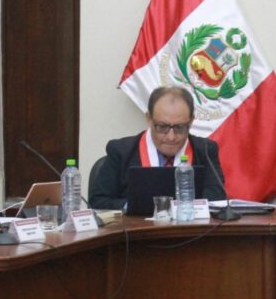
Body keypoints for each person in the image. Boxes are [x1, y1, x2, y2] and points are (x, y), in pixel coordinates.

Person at [88, 86, 225, 211]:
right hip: (136, 229)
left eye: (180, 127)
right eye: (162, 127)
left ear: (191, 121)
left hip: (189, 226)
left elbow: (217, 198)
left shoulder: (205, 150)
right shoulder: (121, 151)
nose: (171, 137)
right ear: (149, 118)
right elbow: (98, 202)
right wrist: (134, 206)